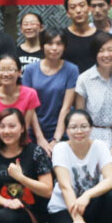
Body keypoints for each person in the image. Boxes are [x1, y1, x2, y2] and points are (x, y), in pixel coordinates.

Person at [46, 109, 112, 223]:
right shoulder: (60, 149)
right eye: (73, 127)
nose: (79, 131)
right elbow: (65, 186)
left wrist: (87, 195)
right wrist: (77, 219)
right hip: (63, 209)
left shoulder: (100, 146)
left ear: (91, 128)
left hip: (88, 205)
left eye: (83, 126)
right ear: (66, 130)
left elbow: (111, 180)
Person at [74, 31, 112, 223]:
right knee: (91, 180)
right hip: (91, 134)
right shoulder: (85, 78)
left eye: (110, 50)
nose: (106, 54)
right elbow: (80, 113)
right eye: (101, 50)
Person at [22, 27, 79, 155]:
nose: (54, 48)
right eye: (49, 43)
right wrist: (40, 138)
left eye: (59, 44)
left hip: (62, 131)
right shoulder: (30, 70)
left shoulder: (72, 70)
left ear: (64, 47)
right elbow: (30, 107)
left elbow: (66, 107)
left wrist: (56, 139)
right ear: (42, 46)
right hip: (34, 131)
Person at [0, 54, 41, 140]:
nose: (5, 74)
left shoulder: (30, 94)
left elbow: (24, 130)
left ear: (19, 72)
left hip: (21, 142)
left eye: (10, 69)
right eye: (1, 69)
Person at [61, 0, 98, 72]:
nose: (78, 10)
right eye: (72, 7)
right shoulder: (61, 37)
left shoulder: (101, 37)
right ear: (68, 13)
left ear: (89, 8)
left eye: (82, 5)